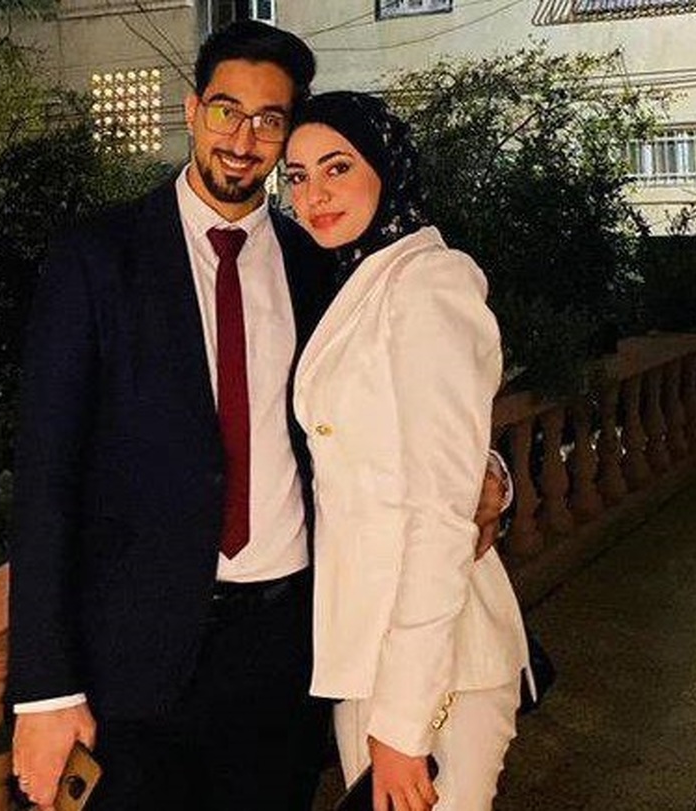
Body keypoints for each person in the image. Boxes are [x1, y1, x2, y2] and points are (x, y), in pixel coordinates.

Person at [7, 23, 508, 811]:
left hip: (285, 651)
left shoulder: (322, 264)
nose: (243, 140)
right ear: (191, 111)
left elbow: (402, 410)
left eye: (269, 120)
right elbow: (44, 478)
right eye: (225, 111)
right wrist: (44, 689)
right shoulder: (97, 258)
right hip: (134, 657)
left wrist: (488, 469)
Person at [283, 91, 531, 811]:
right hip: (368, 656)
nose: (314, 194)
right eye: (297, 176)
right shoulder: (354, 280)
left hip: (436, 670)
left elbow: (440, 512)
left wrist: (400, 722)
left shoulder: (427, 283)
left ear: (385, 169)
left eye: (337, 167)